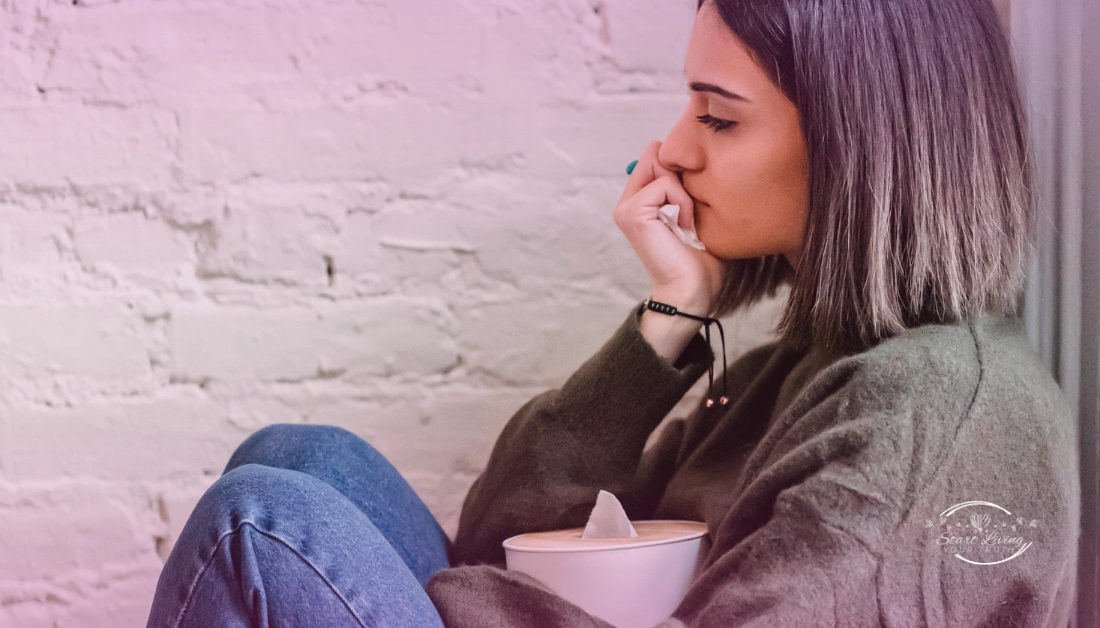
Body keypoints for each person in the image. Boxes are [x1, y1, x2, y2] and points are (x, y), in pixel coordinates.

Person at [146, 0, 1081, 625]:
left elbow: (485, 573)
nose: (671, 147)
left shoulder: (934, 421)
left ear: (859, 149)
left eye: (717, 117)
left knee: (258, 524)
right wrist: (670, 317)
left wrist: (465, 602)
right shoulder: (787, 375)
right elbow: (502, 537)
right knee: (300, 459)